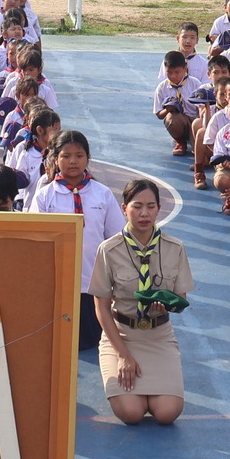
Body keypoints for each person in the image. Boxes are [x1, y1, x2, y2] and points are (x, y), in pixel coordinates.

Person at [90, 179, 193, 425]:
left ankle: (149, 391)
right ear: (124, 208)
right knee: (132, 413)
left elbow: (182, 299)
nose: (144, 213)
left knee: (168, 413)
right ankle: (133, 385)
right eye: (137, 206)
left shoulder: (174, 248)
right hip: (122, 335)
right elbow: (102, 307)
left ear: (159, 208)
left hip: (159, 335)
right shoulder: (109, 249)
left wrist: (167, 305)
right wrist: (123, 355)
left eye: (150, 206)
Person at [28, 130, 126, 351]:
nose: (72, 161)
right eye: (66, 156)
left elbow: (116, 238)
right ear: (54, 159)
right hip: (58, 281)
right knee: (59, 343)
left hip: (94, 281)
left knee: (94, 344)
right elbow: (37, 237)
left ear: (87, 159)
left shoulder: (102, 194)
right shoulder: (45, 196)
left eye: (79, 155)